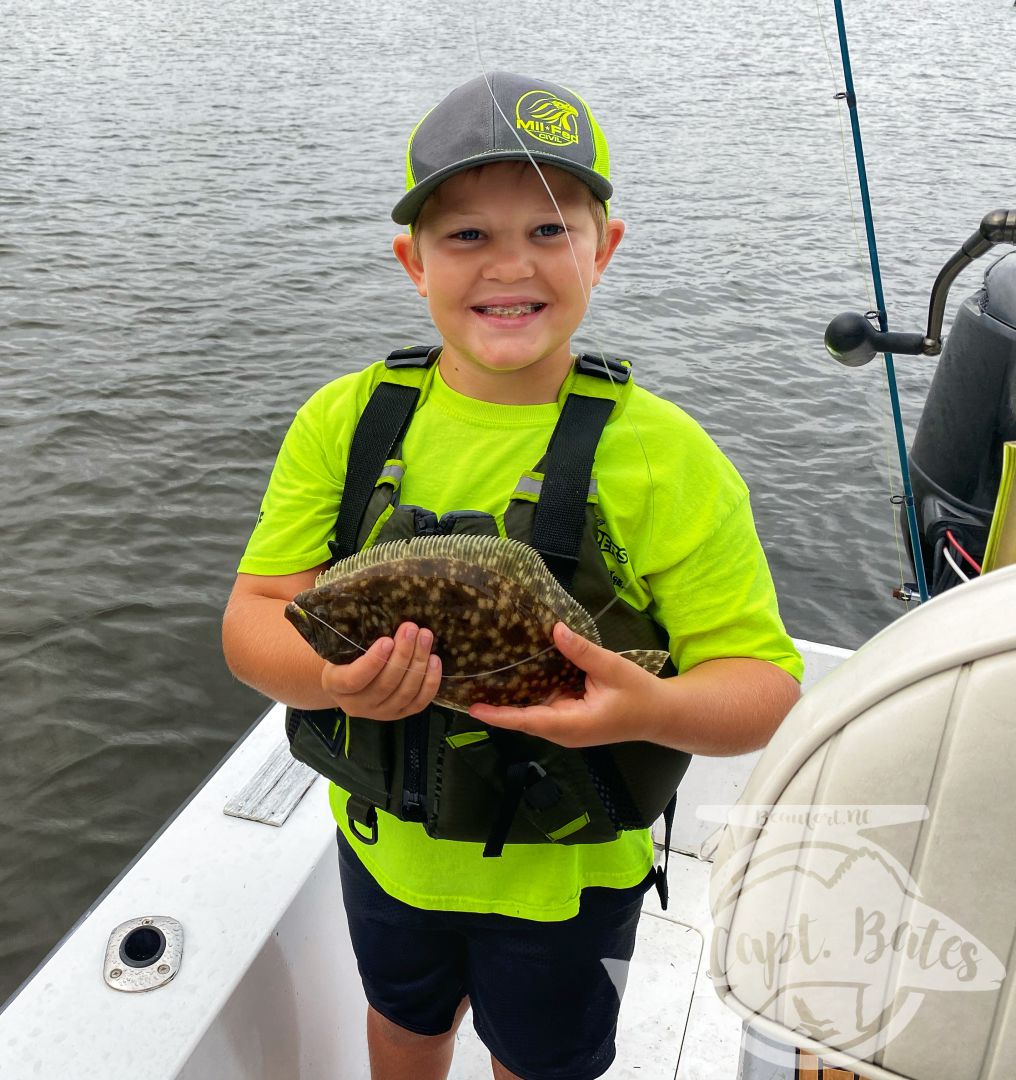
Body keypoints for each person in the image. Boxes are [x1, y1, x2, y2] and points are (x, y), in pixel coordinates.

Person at [222, 71, 803, 1080]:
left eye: (547, 231)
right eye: (466, 236)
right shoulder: (345, 422)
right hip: (384, 851)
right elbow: (256, 618)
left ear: (602, 249)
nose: (509, 265)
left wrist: (641, 709)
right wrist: (330, 682)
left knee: (542, 1059)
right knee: (402, 1020)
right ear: (411, 260)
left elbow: (759, 689)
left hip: (568, 880)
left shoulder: (664, 457)